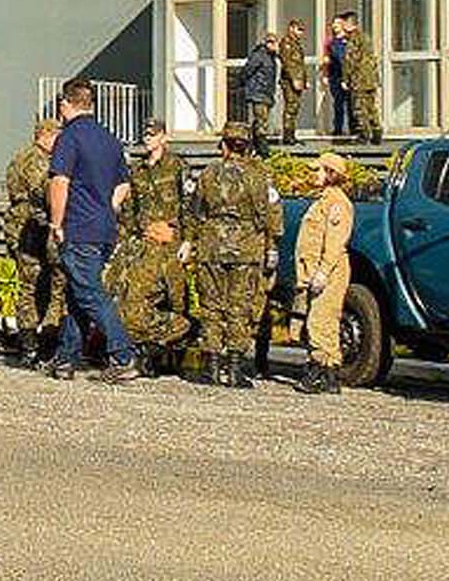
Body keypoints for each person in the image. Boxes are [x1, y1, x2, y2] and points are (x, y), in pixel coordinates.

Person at [43, 82, 136, 384]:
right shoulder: (110, 139)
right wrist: (106, 207)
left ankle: (123, 355)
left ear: (64, 104)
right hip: (104, 227)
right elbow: (124, 184)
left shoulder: (69, 138)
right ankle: (66, 358)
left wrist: (57, 223)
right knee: (77, 293)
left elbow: (60, 182)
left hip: (78, 227)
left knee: (90, 293)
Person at [189, 119, 282, 387]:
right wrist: (270, 246)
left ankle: (211, 366)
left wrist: (195, 240)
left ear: (224, 146)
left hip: (212, 247)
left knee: (212, 306)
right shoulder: (259, 177)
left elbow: (196, 210)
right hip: (245, 249)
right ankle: (235, 367)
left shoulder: (208, 173)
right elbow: (270, 215)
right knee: (239, 307)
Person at [108, 120, 193, 373]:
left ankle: (176, 349)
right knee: (132, 296)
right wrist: (123, 241)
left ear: (164, 138)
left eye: (152, 135)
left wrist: (186, 240)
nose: (147, 139)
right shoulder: (138, 170)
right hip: (143, 243)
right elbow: (130, 211)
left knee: (174, 298)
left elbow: (188, 205)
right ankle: (146, 353)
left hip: (169, 242)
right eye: (145, 134)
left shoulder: (177, 166)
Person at [0, 111, 60, 362]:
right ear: (45, 136)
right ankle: (30, 340)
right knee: (34, 284)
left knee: (31, 283)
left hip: (19, 223)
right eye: (56, 136)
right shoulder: (37, 159)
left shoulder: (20, 156)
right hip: (29, 226)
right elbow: (43, 192)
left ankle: (29, 338)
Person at [292, 153, 357, 394]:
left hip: (329, 271)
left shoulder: (337, 203)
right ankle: (330, 374)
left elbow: (335, 241)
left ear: (331, 174)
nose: (313, 175)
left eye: (318, 170)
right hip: (317, 270)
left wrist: (323, 272)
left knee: (319, 321)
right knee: (324, 320)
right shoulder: (323, 201)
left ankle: (318, 370)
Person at [233, 31, 282, 151]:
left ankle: (254, 143)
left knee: (261, 120)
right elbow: (247, 70)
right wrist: (239, 83)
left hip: (266, 92)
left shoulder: (271, 57)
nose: (276, 47)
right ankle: (262, 147)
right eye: (274, 43)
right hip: (258, 92)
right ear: (268, 43)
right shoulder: (259, 55)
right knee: (261, 120)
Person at [343, 12, 386, 146]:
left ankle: (363, 135)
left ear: (350, 24)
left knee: (359, 107)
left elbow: (351, 60)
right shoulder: (365, 37)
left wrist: (346, 79)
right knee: (371, 107)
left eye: (344, 23)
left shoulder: (354, 39)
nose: (343, 26)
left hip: (359, 79)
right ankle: (377, 132)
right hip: (370, 79)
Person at [277, 19, 310, 147]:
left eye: (302, 30)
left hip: (297, 80)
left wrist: (304, 80)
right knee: (290, 108)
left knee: (295, 108)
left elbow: (300, 65)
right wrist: (294, 80)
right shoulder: (286, 42)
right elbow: (288, 64)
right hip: (289, 81)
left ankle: (292, 134)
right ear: (291, 28)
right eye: (299, 30)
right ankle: (288, 136)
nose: (300, 33)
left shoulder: (297, 44)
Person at [325, 16, 353, 137]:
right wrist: (325, 74)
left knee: (351, 104)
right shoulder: (331, 42)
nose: (334, 25)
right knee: (338, 104)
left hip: (347, 76)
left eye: (337, 23)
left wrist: (346, 79)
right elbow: (328, 59)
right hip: (335, 77)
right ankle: (338, 129)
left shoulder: (349, 40)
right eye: (333, 23)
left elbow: (346, 60)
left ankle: (354, 128)